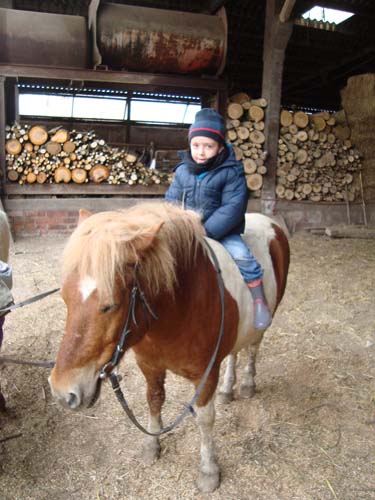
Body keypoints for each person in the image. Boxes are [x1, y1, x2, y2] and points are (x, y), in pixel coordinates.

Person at [165, 108, 272, 330]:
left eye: (208, 146)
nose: (201, 152)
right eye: (196, 145)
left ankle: (259, 300)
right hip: (187, 228)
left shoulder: (231, 171)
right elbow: (172, 199)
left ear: (220, 147)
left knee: (243, 256)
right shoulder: (183, 170)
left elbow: (232, 207)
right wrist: (176, 223)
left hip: (221, 230)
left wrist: (207, 231)